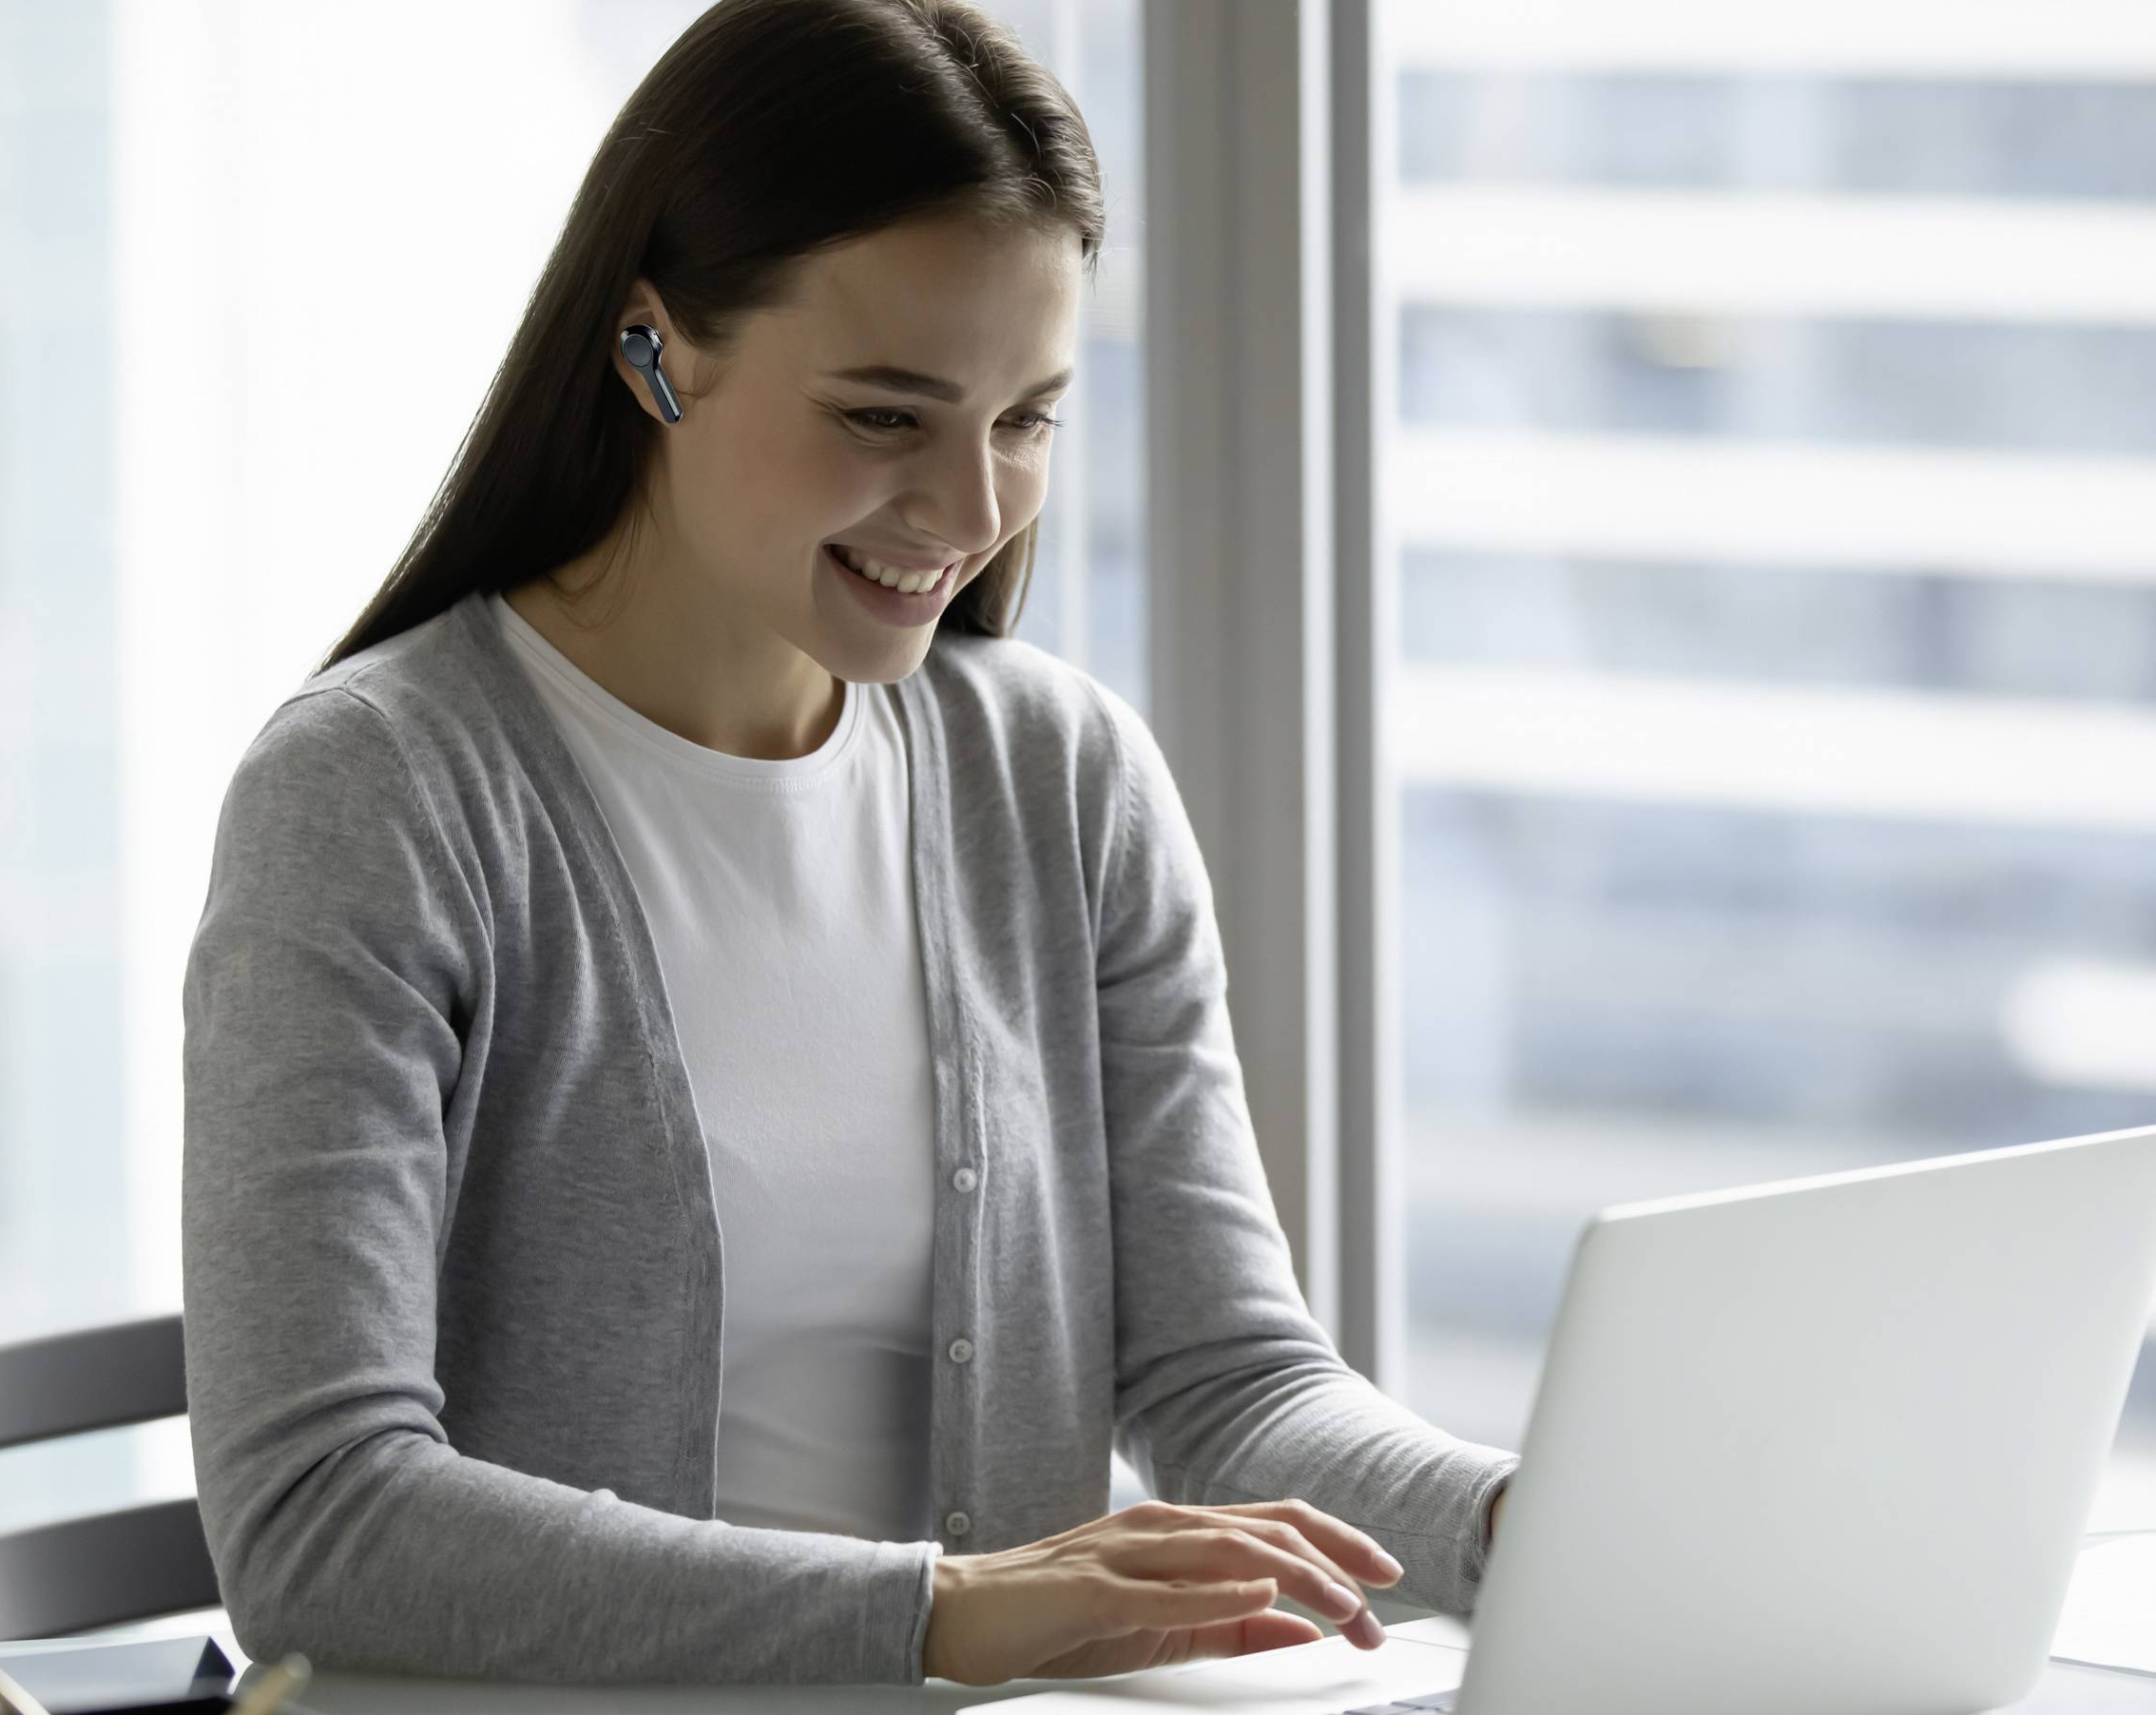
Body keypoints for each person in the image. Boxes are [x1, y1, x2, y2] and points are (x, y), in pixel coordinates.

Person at [180, 0, 1518, 1689]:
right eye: (886, 416)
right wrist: (953, 1610)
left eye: (1024, 419)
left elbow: (1230, 1383)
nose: (969, 515)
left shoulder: (1062, 778)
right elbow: (322, 1522)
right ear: (653, 349)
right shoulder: (378, 800)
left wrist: (1521, 1523)